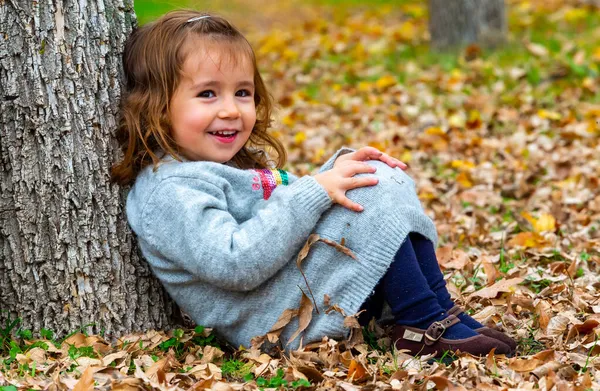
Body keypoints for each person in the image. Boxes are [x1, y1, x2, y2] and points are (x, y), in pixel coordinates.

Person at [111, 10, 516, 357]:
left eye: (242, 92)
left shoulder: (225, 165)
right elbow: (234, 263)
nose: (231, 110)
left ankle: (436, 311)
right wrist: (317, 191)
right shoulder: (169, 191)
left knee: (367, 169)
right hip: (270, 320)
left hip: (298, 290)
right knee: (363, 186)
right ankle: (422, 322)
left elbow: (286, 215)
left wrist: (335, 174)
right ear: (157, 108)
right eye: (208, 94)